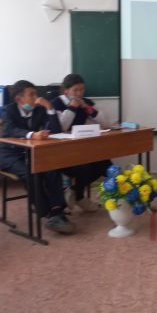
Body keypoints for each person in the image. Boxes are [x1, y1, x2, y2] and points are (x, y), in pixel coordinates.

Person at [0, 80, 74, 234]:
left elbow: (56, 130)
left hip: (32, 153)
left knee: (52, 168)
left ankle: (57, 210)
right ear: (19, 99)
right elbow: (9, 130)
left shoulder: (39, 109)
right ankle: (47, 213)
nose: (36, 98)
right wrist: (32, 134)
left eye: (36, 94)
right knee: (32, 174)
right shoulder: (8, 110)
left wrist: (50, 108)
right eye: (31, 95)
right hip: (11, 156)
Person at [52, 73, 111, 212]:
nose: (79, 93)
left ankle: (75, 192)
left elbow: (105, 123)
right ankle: (78, 196)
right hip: (62, 150)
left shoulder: (86, 103)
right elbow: (61, 126)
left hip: (82, 148)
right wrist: (72, 108)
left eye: (82, 89)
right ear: (66, 91)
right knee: (84, 166)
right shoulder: (56, 103)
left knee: (105, 164)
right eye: (75, 90)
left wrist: (87, 108)